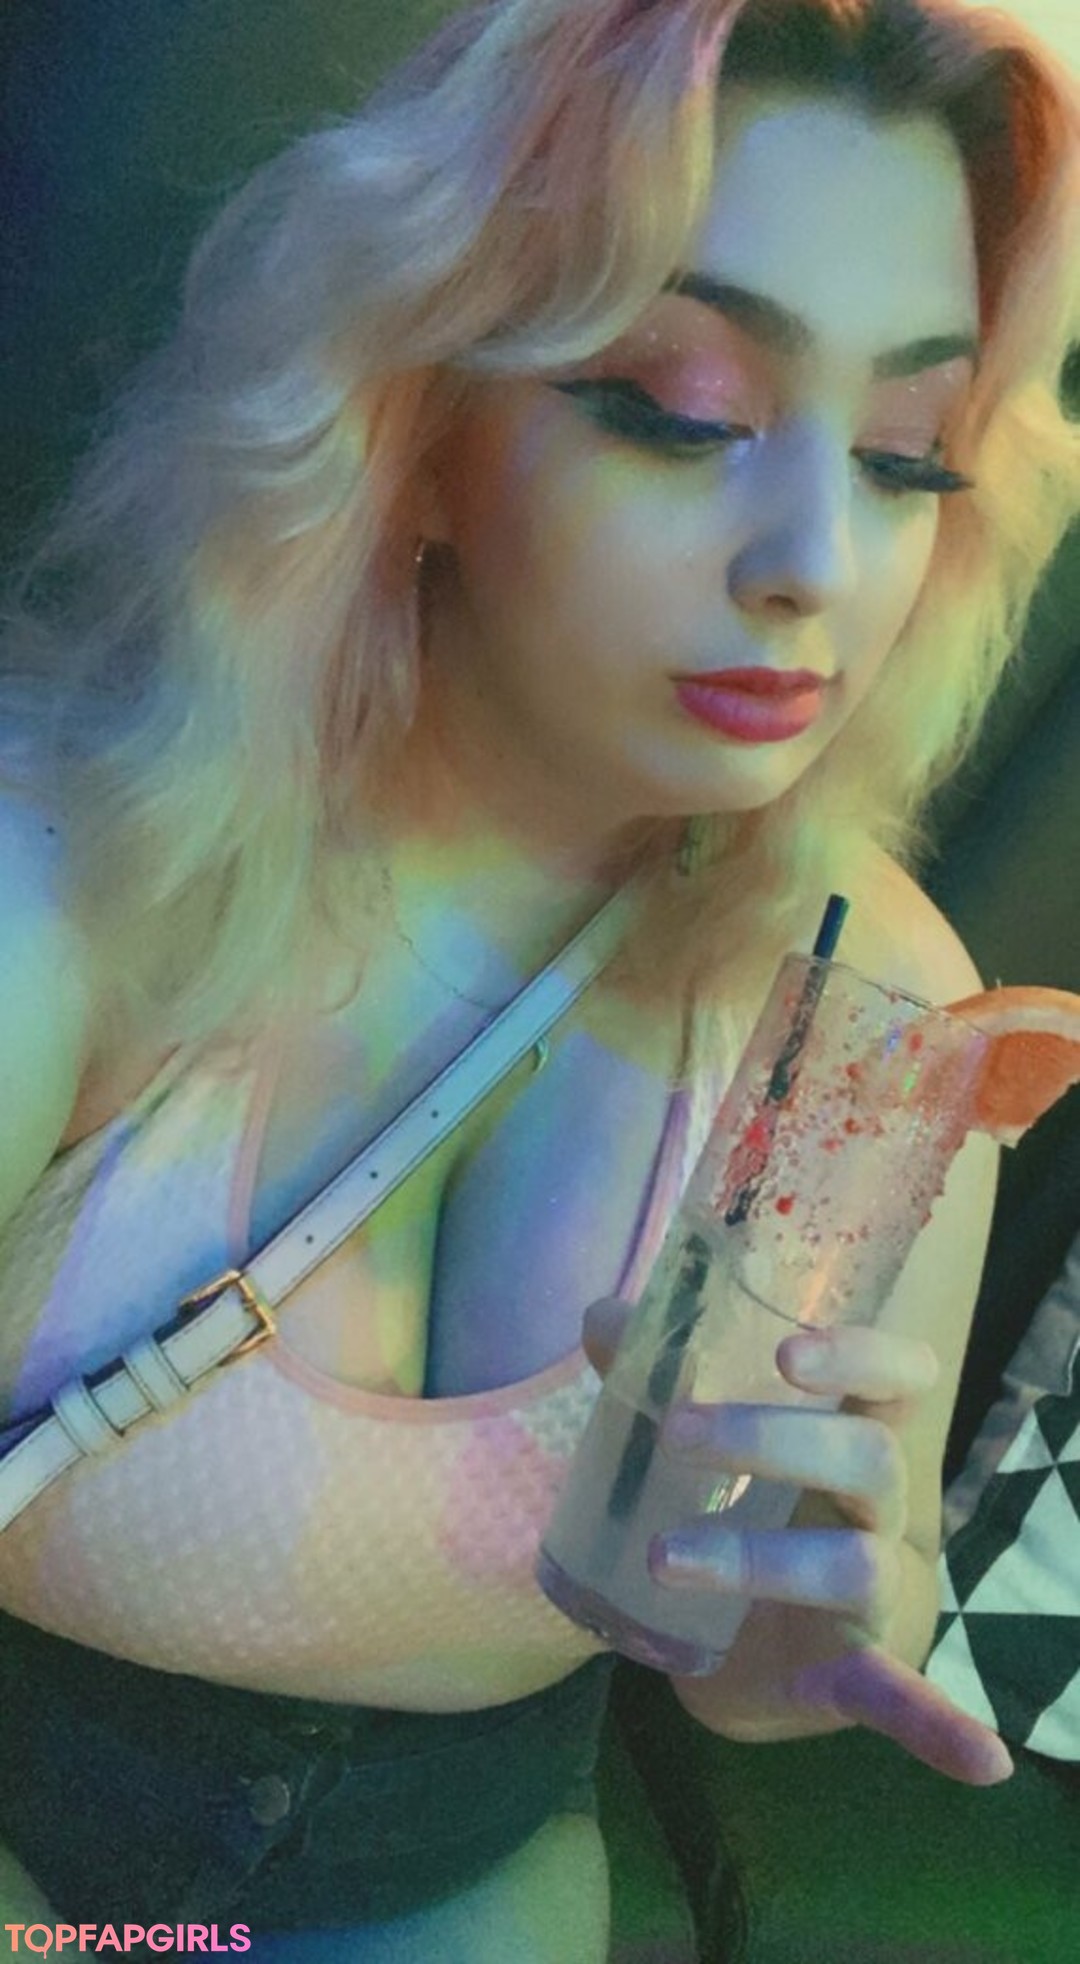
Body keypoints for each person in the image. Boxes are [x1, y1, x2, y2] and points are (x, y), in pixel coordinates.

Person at [0, 0, 1077, 1955]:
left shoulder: (874, 1021)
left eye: (905, 456)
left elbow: (774, 1649)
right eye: (682, 407)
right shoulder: (70, 883)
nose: (818, 560)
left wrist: (818, 1624)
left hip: (454, 1870)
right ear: (411, 420)